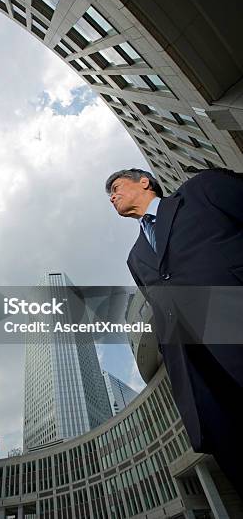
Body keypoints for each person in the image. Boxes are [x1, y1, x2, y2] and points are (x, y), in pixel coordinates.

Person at [105, 167, 243, 496]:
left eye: (116, 187)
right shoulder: (135, 257)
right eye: (109, 194)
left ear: (145, 182)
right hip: (205, 381)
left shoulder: (202, 191)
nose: (112, 196)